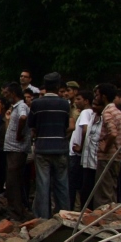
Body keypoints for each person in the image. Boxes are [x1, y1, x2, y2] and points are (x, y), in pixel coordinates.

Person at [29, 72, 72, 218]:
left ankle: (42, 220)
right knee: (62, 186)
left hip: (42, 148)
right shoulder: (64, 104)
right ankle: (65, 218)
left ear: (45, 87)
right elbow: (66, 126)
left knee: (43, 186)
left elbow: (32, 126)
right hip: (60, 147)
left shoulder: (36, 104)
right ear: (58, 86)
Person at [92, 83, 121, 209]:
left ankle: (103, 220)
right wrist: (120, 146)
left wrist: (106, 147)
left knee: (103, 193)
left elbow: (112, 133)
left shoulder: (107, 112)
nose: (96, 98)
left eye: (97, 95)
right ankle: (111, 216)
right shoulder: (118, 112)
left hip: (106, 157)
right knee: (111, 190)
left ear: (104, 96)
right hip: (116, 157)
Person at [2, 82, 31, 220]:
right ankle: (17, 209)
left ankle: (16, 212)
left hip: (17, 149)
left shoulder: (22, 106)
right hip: (13, 148)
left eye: (7, 92)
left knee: (13, 180)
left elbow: (23, 117)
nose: (5, 95)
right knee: (13, 180)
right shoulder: (15, 107)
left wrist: (19, 134)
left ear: (13, 93)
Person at [69, 89, 94, 210]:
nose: (76, 101)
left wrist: (81, 146)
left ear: (86, 101)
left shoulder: (85, 112)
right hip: (79, 154)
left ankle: (70, 208)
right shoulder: (90, 113)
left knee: (72, 184)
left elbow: (85, 129)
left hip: (76, 154)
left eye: (79, 99)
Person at [78, 93, 103, 208]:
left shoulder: (104, 119)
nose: (93, 106)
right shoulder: (92, 116)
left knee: (94, 192)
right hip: (86, 162)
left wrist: (105, 148)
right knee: (85, 190)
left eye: (97, 105)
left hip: (96, 162)